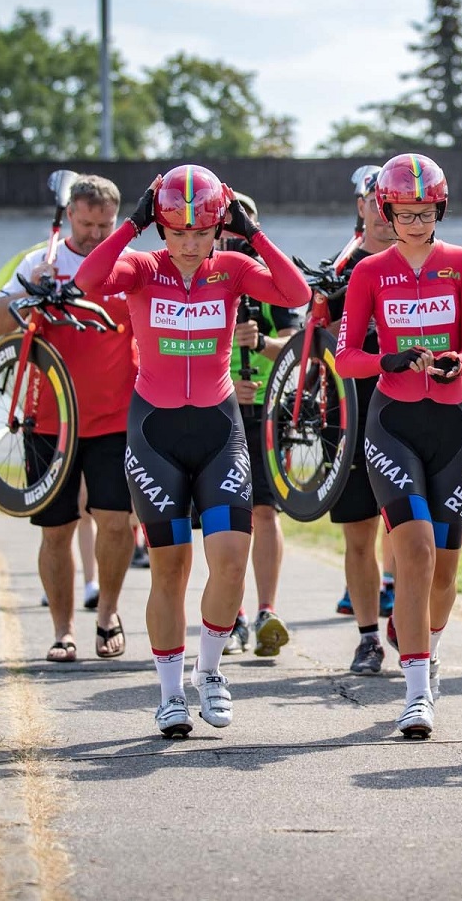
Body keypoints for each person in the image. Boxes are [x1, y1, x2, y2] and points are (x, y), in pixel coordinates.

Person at [74, 164, 309, 738]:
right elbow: (88, 279)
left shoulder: (229, 269)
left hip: (218, 430)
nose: (188, 244)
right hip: (154, 434)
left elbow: (296, 292)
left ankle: (210, 673)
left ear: (216, 228)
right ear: (161, 228)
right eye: (177, 232)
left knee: (229, 560)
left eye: (200, 232)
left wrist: (251, 233)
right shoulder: (142, 267)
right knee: (170, 569)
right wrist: (132, 225)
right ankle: (170, 693)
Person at [334, 153, 462, 739]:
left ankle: (430, 650)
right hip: (392, 422)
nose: (416, 224)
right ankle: (416, 694)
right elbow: (346, 356)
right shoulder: (370, 272)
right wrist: (386, 360)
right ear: (385, 211)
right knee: (416, 550)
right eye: (404, 214)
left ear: (440, 210)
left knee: (444, 573)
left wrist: (457, 362)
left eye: (426, 213)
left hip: (452, 424)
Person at [0, 174, 136, 664]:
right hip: (48, 421)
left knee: (115, 524)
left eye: (105, 224)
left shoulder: (127, 264)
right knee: (57, 530)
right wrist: (29, 297)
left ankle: (108, 614)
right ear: (70, 214)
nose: (95, 234)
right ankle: (62, 630)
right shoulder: (41, 261)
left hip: (115, 417)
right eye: (88, 223)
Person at [218, 192, 302, 659]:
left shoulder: (271, 272)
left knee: (265, 510)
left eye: (241, 227)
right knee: (224, 518)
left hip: (268, 409)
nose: (233, 237)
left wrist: (261, 341)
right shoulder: (201, 268)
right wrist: (229, 379)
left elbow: (295, 343)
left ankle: (267, 609)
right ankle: (230, 617)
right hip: (217, 407)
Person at [325, 167, 400, 674]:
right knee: (358, 533)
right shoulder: (341, 265)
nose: (380, 210)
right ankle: (368, 637)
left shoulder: (423, 260)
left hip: (406, 406)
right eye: (372, 200)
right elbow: (321, 337)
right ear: (362, 206)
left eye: (388, 201)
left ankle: (410, 620)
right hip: (350, 406)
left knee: (413, 522)